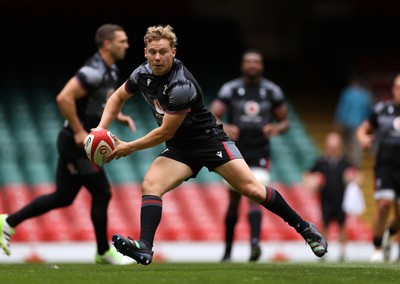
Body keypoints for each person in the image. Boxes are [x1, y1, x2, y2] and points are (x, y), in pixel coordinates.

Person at [93, 24, 327, 266]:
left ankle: (304, 228)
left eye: (163, 51)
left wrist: (127, 147)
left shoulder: (181, 86)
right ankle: (145, 247)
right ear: (145, 52)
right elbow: (118, 97)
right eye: (152, 52)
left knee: (253, 190)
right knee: (150, 184)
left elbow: (164, 132)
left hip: (209, 141)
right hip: (182, 148)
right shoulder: (142, 73)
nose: (157, 57)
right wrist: (101, 128)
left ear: (174, 52)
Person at [0, 24, 135, 264]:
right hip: (76, 146)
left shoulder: (110, 70)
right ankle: (103, 252)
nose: (126, 45)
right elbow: (64, 97)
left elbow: (102, 99)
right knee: (102, 192)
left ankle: (7, 222)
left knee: (63, 196)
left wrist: (119, 116)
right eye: (122, 41)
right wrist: (77, 131)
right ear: (107, 43)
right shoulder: (92, 70)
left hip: (76, 144)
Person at [209, 49, 289, 262]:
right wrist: (224, 124)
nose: (252, 65)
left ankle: (254, 245)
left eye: (256, 62)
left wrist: (275, 129)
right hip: (235, 151)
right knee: (234, 200)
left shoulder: (272, 91)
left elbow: (285, 121)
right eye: (249, 62)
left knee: (255, 195)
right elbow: (212, 115)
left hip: (260, 152)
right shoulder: (231, 89)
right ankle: (227, 251)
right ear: (242, 66)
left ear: (261, 66)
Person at [356, 73, 400, 262]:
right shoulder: (381, 109)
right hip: (385, 166)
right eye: (398, 87)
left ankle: (390, 234)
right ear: (393, 89)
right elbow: (363, 128)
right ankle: (377, 247)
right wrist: (363, 138)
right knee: (383, 205)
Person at [303, 132, 360, 261]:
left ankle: (342, 253)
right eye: (331, 145)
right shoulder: (321, 161)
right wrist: (312, 183)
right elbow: (307, 175)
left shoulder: (345, 161)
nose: (333, 148)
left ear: (339, 146)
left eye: (335, 145)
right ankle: (322, 251)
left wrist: (352, 179)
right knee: (324, 225)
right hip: (325, 199)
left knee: (342, 225)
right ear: (326, 146)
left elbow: (358, 175)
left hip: (341, 199)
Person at [334, 75, 373, 167]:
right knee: (356, 145)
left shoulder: (347, 92)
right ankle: (356, 164)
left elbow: (341, 107)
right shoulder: (365, 95)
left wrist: (337, 120)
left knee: (346, 143)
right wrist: (367, 124)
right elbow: (368, 110)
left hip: (346, 122)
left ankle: (346, 162)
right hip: (358, 123)